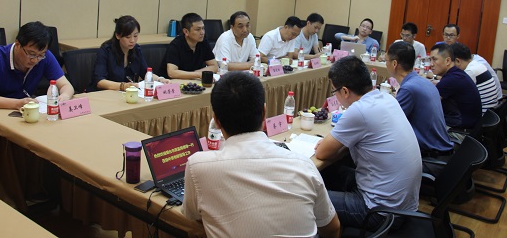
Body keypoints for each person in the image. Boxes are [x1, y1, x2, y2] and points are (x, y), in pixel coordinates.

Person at [182, 72, 340, 238]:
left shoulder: (198, 167)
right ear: (264, 112)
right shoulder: (304, 165)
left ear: (216, 120)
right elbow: (332, 228)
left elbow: (194, 216)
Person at [315, 56, 421, 231]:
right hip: (404, 206)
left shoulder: (359, 110)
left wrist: (331, 143)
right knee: (329, 172)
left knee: (307, 197)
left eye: (334, 92)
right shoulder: (386, 98)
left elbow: (322, 153)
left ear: (345, 91)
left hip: (379, 212)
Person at [0, 21, 75, 131]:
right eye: (31, 54)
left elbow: (66, 86)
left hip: (22, 112)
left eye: (40, 55)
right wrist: (17, 103)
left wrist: (64, 97)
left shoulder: (45, 57)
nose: (35, 60)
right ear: (17, 44)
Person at [385, 41, 453, 157]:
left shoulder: (409, 89)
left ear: (394, 64)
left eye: (386, 60)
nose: (385, 64)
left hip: (431, 154)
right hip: (441, 148)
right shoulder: (422, 81)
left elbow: (389, 124)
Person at [94, 15, 168, 91]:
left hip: (128, 93)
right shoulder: (105, 51)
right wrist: (123, 86)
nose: (132, 40)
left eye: (135, 36)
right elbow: (100, 82)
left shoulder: (136, 49)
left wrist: (160, 79)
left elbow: (146, 73)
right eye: (128, 37)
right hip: (105, 93)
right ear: (118, 35)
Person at [429, 43, 482, 134]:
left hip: (460, 133)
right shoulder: (456, 74)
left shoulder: (451, 80)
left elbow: (428, 103)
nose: (431, 64)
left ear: (448, 61)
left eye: (435, 59)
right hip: (469, 127)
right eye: (430, 60)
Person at [164, 13, 218, 79]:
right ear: (186, 32)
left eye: (203, 28)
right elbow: (172, 73)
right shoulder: (175, 45)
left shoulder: (203, 42)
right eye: (198, 29)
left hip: (193, 81)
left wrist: (195, 74)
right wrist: (198, 74)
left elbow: (214, 66)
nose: (202, 32)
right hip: (171, 82)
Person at [452, 42, 501, 112]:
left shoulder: (470, 71)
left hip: (482, 113)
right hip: (490, 111)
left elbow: (452, 90)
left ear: (457, 61)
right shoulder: (476, 64)